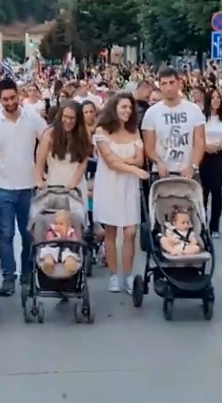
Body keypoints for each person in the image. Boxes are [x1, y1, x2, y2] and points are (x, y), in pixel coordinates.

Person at [0, 78, 46, 296]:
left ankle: (27, 274)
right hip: (3, 187)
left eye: (13, 97)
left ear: (18, 95)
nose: (10, 102)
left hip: (28, 187)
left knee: (28, 235)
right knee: (6, 234)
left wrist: (43, 172)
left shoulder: (33, 118)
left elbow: (46, 141)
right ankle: (9, 277)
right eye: (5, 99)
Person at [92, 93, 146, 294]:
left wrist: (128, 163)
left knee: (131, 232)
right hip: (110, 184)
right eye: (124, 107)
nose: (127, 111)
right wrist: (132, 167)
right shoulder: (102, 131)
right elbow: (110, 162)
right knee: (111, 231)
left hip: (129, 186)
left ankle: (128, 275)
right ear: (114, 108)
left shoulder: (134, 132)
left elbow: (140, 159)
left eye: (130, 108)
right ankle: (114, 275)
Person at [142, 67, 205, 180]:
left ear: (179, 83)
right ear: (159, 86)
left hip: (188, 172)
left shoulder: (194, 110)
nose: (169, 88)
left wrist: (193, 166)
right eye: (164, 84)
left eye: (172, 83)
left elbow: (200, 142)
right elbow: (149, 146)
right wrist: (158, 162)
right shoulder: (151, 113)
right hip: (161, 173)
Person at [35, 100, 91, 190]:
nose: (68, 121)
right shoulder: (50, 134)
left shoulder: (84, 135)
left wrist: (73, 183)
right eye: (65, 117)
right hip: (54, 185)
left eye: (72, 118)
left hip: (76, 187)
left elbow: (83, 162)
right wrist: (39, 180)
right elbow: (40, 160)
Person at [200, 88, 222, 238]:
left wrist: (220, 146)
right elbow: (197, 136)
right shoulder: (201, 117)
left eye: (218, 98)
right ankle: (202, 223)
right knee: (204, 189)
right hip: (203, 155)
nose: (216, 100)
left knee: (217, 190)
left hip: (218, 155)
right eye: (213, 98)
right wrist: (205, 146)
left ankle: (215, 225)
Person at [38, 209, 81, 276]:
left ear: (68, 225)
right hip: (52, 249)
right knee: (48, 255)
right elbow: (48, 241)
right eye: (56, 223)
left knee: (71, 256)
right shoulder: (51, 232)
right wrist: (56, 238)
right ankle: (48, 264)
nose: (57, 226)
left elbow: (75, 242)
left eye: (61, 224)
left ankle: (70, 265)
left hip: (67, 250)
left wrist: (65, 237)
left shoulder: (71, 233)